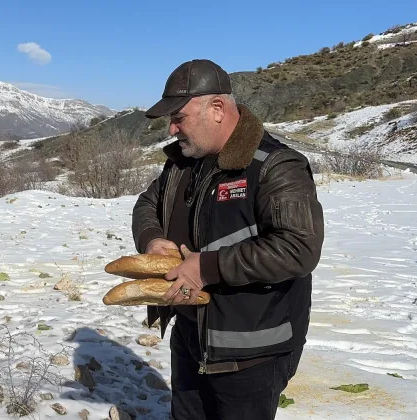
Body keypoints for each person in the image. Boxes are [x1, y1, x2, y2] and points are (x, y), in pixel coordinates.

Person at [131, 59, 325, 420]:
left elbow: (299, 247)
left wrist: (206, 268)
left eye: (179, 117)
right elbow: (148, 203)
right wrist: (153, 240)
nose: (172, 128)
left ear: (217, 109)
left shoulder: (275, 166)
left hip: (251, 352)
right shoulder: (184, 162)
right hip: (190, 335)